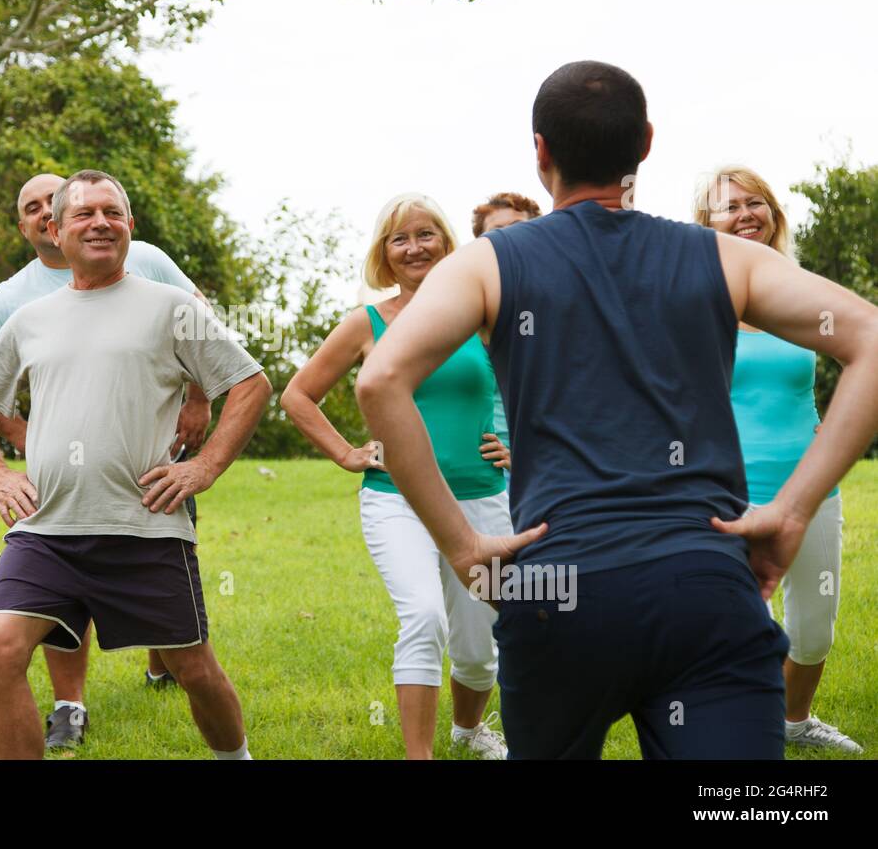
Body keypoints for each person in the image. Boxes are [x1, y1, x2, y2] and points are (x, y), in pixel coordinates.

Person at [356, 60, 878, 759]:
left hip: (555, 589)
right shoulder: (726, 259)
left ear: (540, 149)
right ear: (646, 144)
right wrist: (791, 510)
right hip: (706, 584)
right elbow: (870, 339)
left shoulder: (488, 264)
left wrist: (462, 547)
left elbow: (379, 381)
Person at [0, 169, 271, 760]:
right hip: (47, 531)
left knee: (193, 670)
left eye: (112, 212)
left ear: (130, 225)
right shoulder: (30, 317)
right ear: (54, 229)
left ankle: (236, 758)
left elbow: (250, 384)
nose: (100, 223)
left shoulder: (172, 306)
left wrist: (202, 468)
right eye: (84, 214)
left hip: (144, 530)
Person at [281, 193, 511, 760]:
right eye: (400, 238)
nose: (414, 247)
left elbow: (540, 388)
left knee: (479, 650)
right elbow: (298, 395)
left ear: (447, 242)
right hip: (396, 500)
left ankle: (467, 730)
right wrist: (346, 453)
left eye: (426, 234)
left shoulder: (484, 317)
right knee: (424, 615)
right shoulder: (368, 322)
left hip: (481, 499)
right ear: (385, 253)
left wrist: (516, 443)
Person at [694, 165, 860, 753]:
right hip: (726, 492)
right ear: (706, 222)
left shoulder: (802, 290)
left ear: (772, 212)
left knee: (814, 630)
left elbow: (858, 359)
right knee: (734, 632)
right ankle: (736, 734)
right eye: (728, 206)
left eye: (754, 202)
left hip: (810, 484)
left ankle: (795, 722)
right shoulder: (696, 300)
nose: (744, 214)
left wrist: (831, 428)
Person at [471, 193, 541, 474]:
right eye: (497, 233)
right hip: (484, 473)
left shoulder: (562, 306)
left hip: (550, 474)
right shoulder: (466, 314)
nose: (509, 240)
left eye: (519, 229)